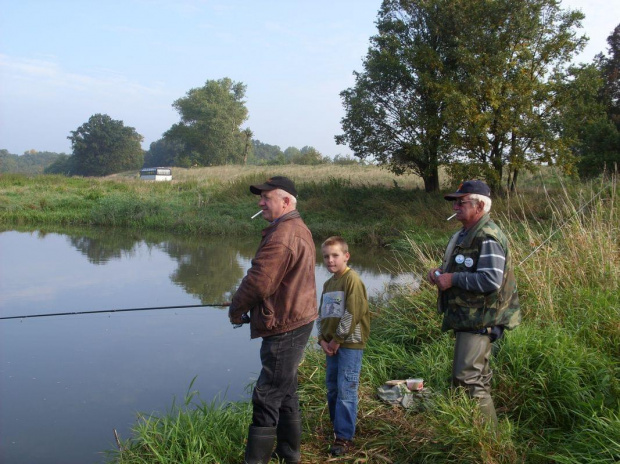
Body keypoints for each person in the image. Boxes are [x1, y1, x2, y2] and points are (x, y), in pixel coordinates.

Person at [229, 176, 318, 464]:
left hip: (286, 325)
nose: (260, 202)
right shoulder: (293, 228)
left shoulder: (283, 235)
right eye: (261, 197)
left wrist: (236, 307)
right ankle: (290, 454)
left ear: (286, 201)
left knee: (267, 395)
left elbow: (259, 282)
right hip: (296, 318)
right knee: (286, 390)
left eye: (266, 198)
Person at [427, 180, 520, 427]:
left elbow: (491, 280)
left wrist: (453, 278)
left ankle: (490, 440)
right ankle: (476, 431)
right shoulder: (465, 233)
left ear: (479, 205)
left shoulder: (488, 236)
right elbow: (465, 267)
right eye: (454, 201)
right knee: (477, 377)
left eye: (461, 201)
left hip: (481, 320)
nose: (456, 205)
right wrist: (440, 273)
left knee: (468, 378)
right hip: (469, 318)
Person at [317, 236, 370, 456]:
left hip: (348, 344)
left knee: (346, 388)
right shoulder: (328, 283)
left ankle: (344, 437)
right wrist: (321, 338)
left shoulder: (352, 280)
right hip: (331, 345)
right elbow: (321, 313)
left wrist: (337, 339)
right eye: (326, 256)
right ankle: (336, 425)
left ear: (346, 256)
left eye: (335, 255)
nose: (330, 260)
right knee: (332, 387)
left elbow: (352, 313)